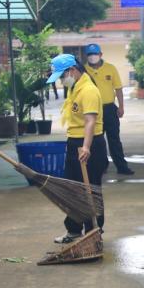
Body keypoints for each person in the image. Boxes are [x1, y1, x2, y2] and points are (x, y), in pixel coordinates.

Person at [47, 53, 108, 243]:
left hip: (89, 144)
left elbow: (90, 121)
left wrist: (86, 147)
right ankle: (73, 230)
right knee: (72, 189)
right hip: (74, 142)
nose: (61, 81)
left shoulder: (88, 90)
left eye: (62, 76)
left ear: (72, 70)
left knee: (90, 190)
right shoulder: (75, 88)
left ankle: (93, 231)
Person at [83, 43, 133, 174]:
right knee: (96, 141)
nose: (92, 56)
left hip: (109, 109)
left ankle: (122, 167)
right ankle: (101, 167)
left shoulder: (110, 68)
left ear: (100, 54)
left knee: (114, 139)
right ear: (86, 56)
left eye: (95, 54)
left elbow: (118, 88)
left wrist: (121, 107)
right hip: (92, 111)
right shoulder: (83, 71)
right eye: (89, 54)